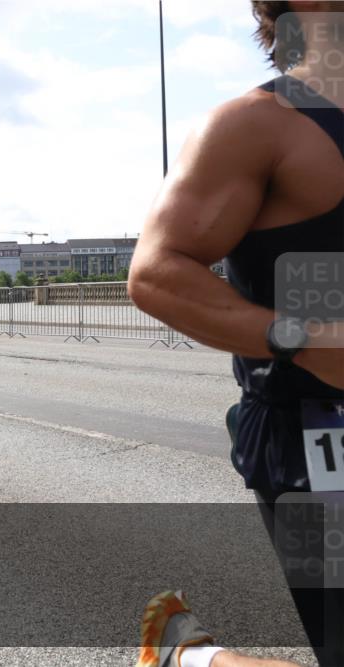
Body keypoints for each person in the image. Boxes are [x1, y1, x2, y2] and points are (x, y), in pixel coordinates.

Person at [129, 4, 344, 666]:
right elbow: (157, 273)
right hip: (312, 442)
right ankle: (187, 657)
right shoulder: (258, 124)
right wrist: (302, 338)